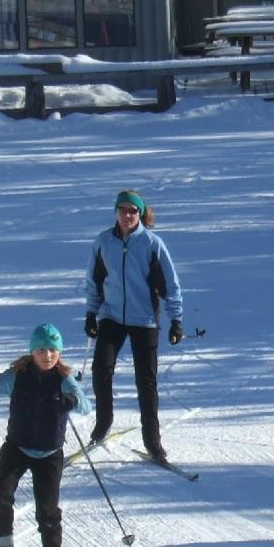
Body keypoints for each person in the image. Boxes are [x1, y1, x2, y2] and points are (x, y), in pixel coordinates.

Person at [0, 324, 88, 547]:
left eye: (53, 350)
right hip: (17, 447)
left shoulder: (63, 378)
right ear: (32, 352)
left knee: (47, 512)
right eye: (41, 350)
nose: (48, 355)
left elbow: (85, 405)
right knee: (0, 497)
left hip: (49, 454)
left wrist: (71, 401)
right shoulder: (18, 374)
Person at [83, 189, 184, 463]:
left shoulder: (152, 244)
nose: (127, 215)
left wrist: (176, 320)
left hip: (144, 320)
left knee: (146, 381)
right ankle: (103, 424)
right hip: (111, 316)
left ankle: (152, 440)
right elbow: (95, 279)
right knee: (101, 370)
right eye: (123, 210)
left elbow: (170, 284)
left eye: (133, 211)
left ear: (140, 214)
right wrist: (92, 313)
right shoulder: (104, 242)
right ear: (116, 212)